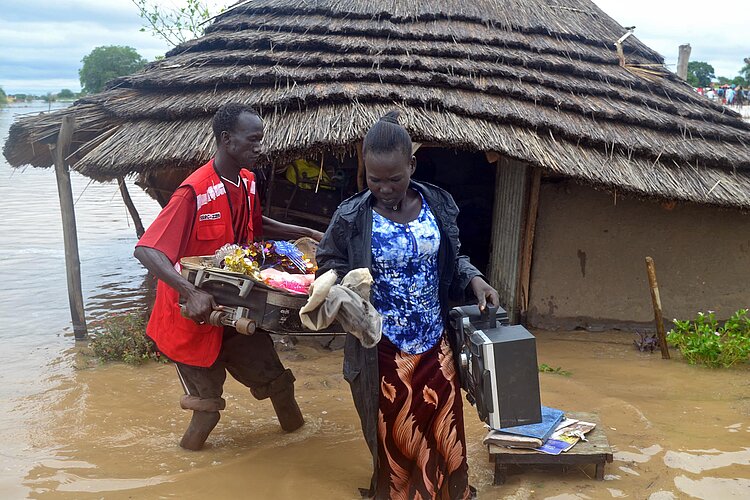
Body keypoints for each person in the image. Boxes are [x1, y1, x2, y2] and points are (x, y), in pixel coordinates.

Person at [316, 111, 499, 499]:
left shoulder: (437, 203)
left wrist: (476, 279)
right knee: (396, 435)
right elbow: (329, 262)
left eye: (394, 179)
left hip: (437, 344)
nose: (384, 188)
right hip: (382, 350)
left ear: (411, 165)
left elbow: (453, 257)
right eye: (374, 179)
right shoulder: (352, 216)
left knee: (444, 427)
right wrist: (345, 292)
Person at [134, 103, 324, 451]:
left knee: (280, 386)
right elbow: (147, 249)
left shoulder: (247, 181)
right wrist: (190, 292)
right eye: (253, 140)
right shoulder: (192, 192)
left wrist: (304, 231)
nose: (260, 147)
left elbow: (254, 223)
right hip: (191, 318)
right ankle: (184, 469)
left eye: (261, 140)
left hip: (236, 308)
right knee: (206, 412)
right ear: (227, 140)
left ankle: (302, 448)